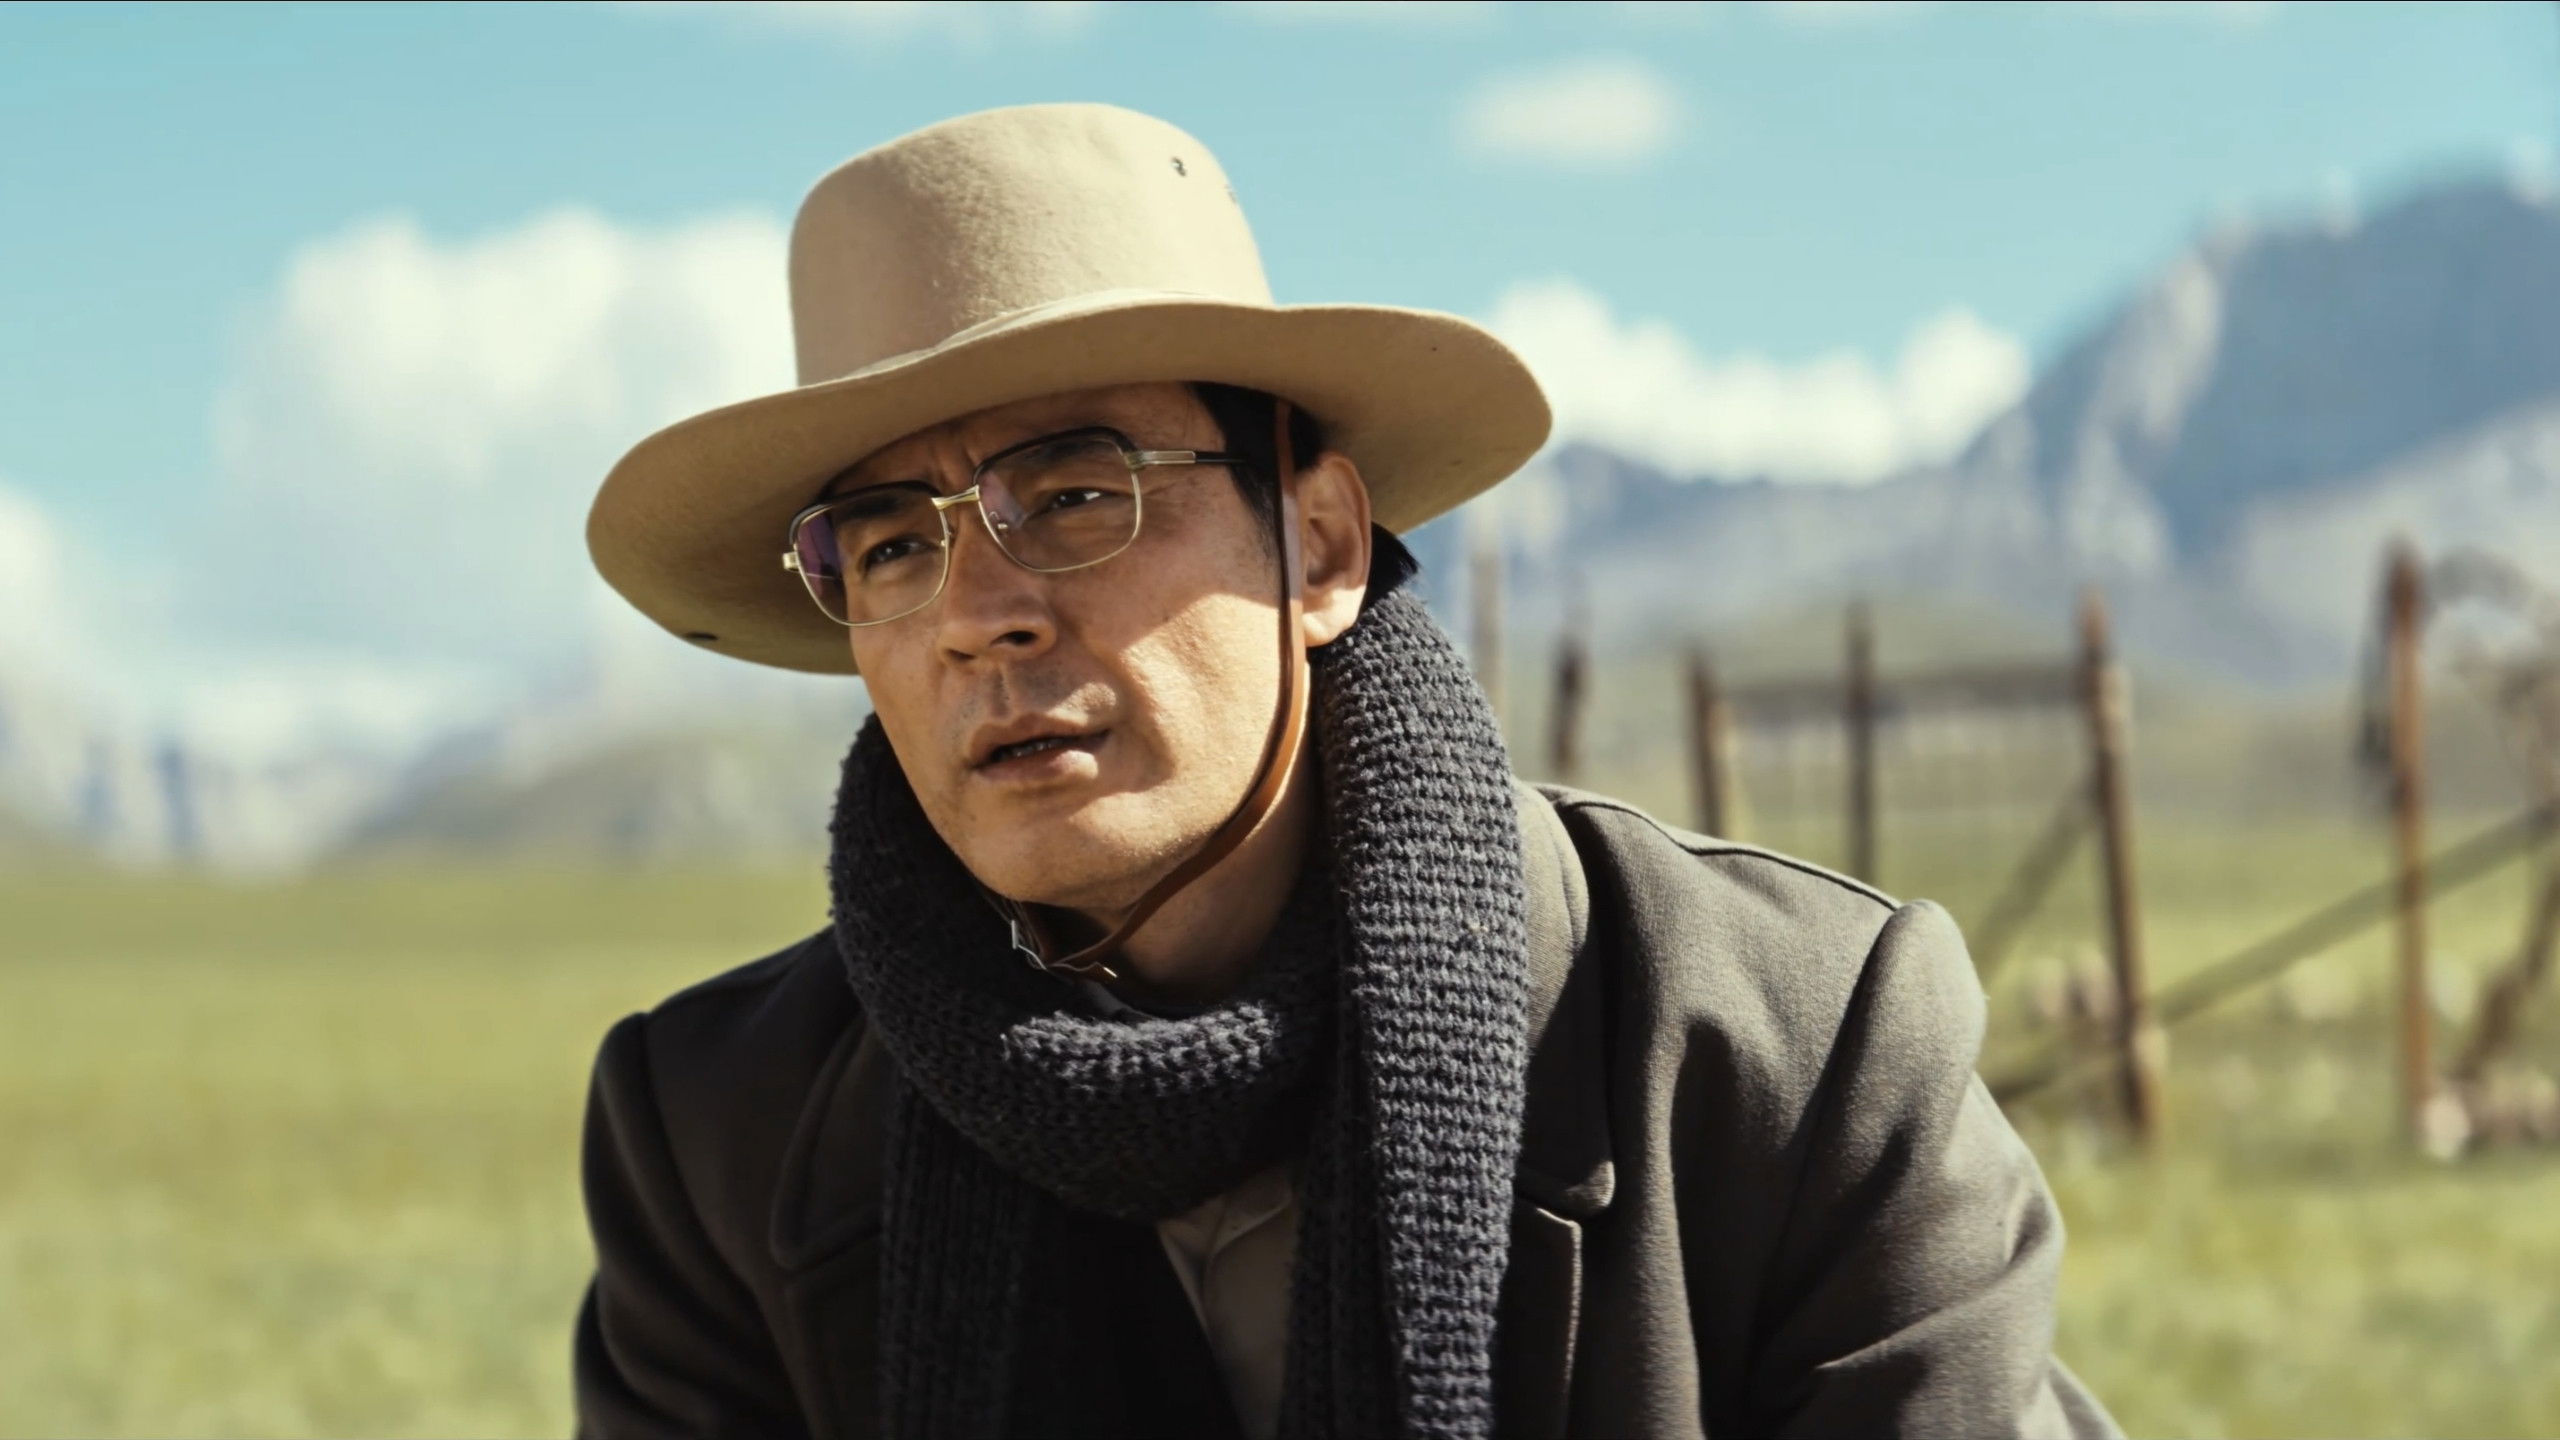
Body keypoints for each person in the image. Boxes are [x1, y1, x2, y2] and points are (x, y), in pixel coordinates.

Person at [571, 103, 2119, 1440]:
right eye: (894, 545)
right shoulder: (714, 1137)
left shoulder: (1791, 1054)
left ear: (1316, 546)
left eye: (1078, 494)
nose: (980, 613)